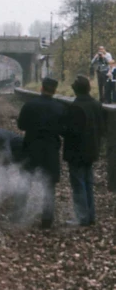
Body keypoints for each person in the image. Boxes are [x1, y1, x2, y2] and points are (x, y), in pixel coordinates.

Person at [18, 77, 67, 229]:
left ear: (41, 88)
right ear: (55, 90)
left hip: (31, 146)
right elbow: (64, 130)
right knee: (49, 185)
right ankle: (47, 219)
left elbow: (21, 125)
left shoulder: (30, 104)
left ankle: (18, 215)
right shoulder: (60, 107)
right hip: (50, 149)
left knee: (25, 181)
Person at [63, 75, 105, 226]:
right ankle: (91, 216)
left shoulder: (75, 107)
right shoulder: (96, 104)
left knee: (78, 184)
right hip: (92, 149)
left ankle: (82, 217)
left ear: (75, 90)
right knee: (88, 183)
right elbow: (102, 128)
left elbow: (72, 131)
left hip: (77, 151)